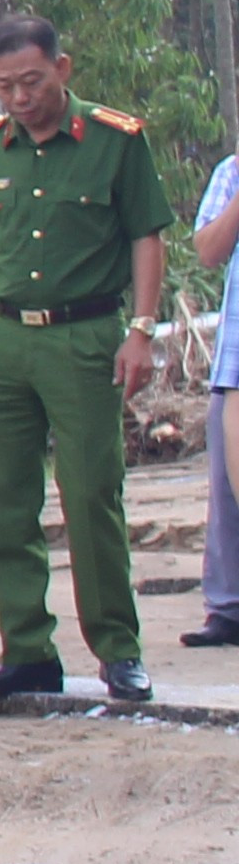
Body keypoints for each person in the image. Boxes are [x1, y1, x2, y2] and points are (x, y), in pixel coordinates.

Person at [0, 13, 173, 705]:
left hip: (84, 335)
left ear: (62, 70)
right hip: (5, 340)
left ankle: (118, 651)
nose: (19, 97)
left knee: (91, 494)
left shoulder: (115, 142)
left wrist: (143, 329)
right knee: (5, 500)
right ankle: (26, 651)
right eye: (5, 85)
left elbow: (146, 237)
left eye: (32, 81)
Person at [200, 138, 239, 651]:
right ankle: (227, 606)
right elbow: (209, 250)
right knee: (226, 488)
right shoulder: (231, 171)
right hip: (235, 360)